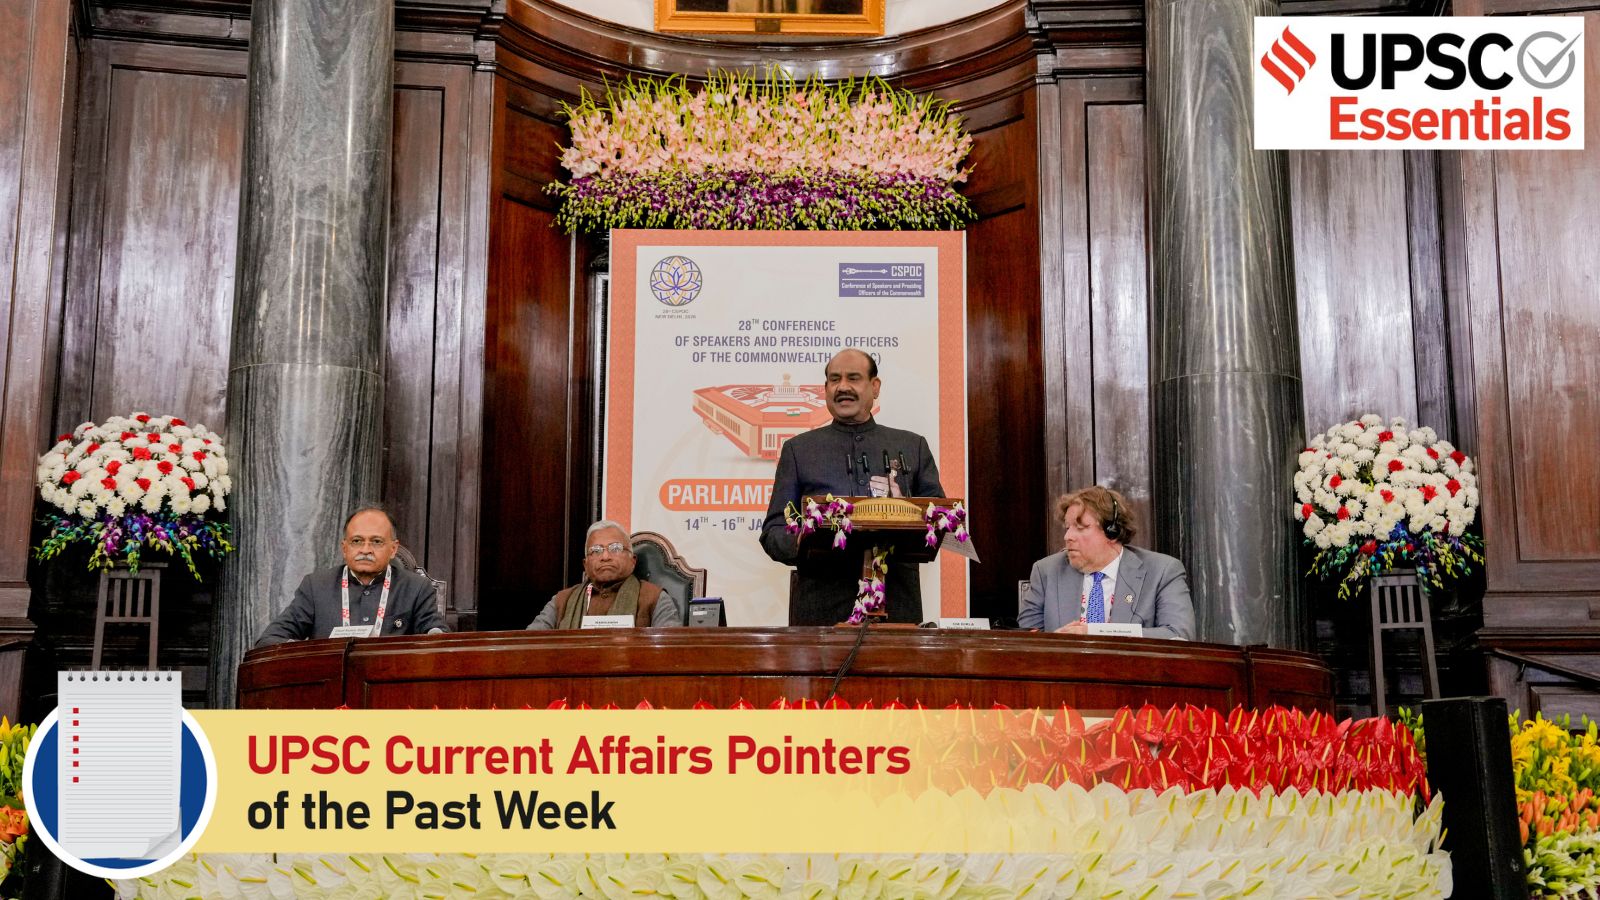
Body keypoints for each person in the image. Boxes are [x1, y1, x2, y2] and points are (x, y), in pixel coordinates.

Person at [759, 348, 945, 625]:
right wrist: (803, 537)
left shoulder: (911, 446)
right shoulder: (799, 450)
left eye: (853, 378)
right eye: (834, 379)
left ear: (875, 387)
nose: (842, 387)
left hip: (897, 613)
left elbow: (941, 519)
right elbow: (773, 531)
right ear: (826, 389)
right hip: (821, 617)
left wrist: (904, 509)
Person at [1018, 486, 1195, 640]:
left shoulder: (1162, 572)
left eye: (1081, 528)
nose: (1068, 536)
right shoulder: (1047, 571)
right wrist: (1057, 641)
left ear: (1112, 532)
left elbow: (1179, 635)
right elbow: (1026, 640)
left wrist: (1097, 632)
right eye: (1067, 528)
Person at [255, 507, 448, 646]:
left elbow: (437, 636)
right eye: (357, 541)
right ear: (344, 548)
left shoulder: (416, 588)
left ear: (393, 549)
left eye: (376, 541)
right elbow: (270, 639)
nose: (366, 549)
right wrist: (307, 655)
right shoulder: (316, 587)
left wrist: (434, 635)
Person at [528, 520, 680, 629]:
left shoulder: (654, 598)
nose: (605, 556)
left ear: (632, 560)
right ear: (585, 564)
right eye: (596, 551)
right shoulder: (562, 601)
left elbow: (669, 650)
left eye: (615, 548)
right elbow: (531, 643)